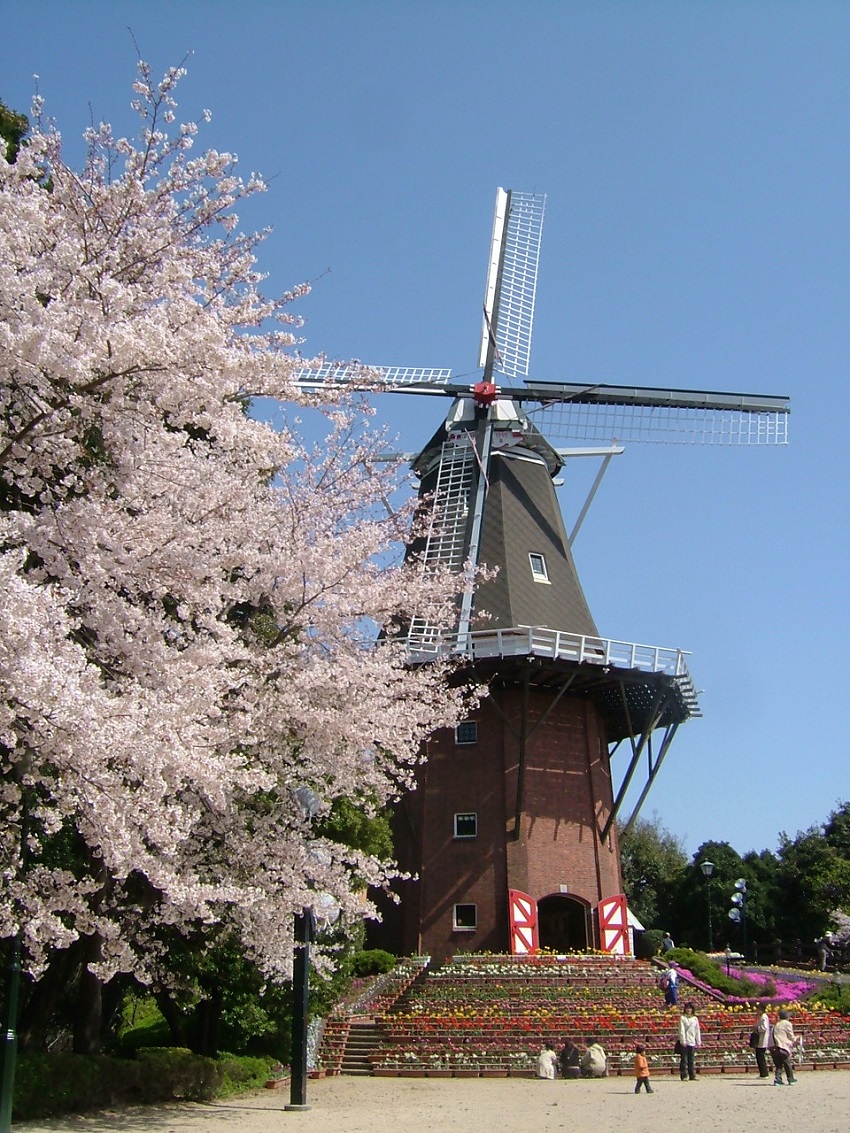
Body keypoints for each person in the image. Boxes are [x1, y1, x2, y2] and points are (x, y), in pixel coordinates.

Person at [770, 1009, 797, 1085]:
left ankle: (777, 1079)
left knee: (778, 1065)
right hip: (782, 1046)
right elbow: (791, 1036)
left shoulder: (776, 1024)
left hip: (773, 1047)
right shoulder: (787, 1024)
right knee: (787, 1063)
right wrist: (796, 1038)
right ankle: (790, 1079)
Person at [677, 1002, 701, 1081]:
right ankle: (683, 1075)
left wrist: (698, 1040)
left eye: (690, 1008)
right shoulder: (682, 1018)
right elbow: (681, 1030)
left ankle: (692, 1075)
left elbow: (697, 1030)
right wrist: (683, 1040)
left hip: (692, 1041)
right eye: (687, 1008)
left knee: (691, 1059)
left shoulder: (694, 1018)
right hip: (685, 1041)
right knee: (684, 1059)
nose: (689, 1010)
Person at [753, 1005, 771, 1078]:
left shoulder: (764, 1017)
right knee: (759, 1056)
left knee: (761, 1057)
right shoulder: (761, 1017)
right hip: (760, 1039)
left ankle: (764, 1074)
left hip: (762, 1039)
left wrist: (757, 1028)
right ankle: (762, 1073)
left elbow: (764, 1027)